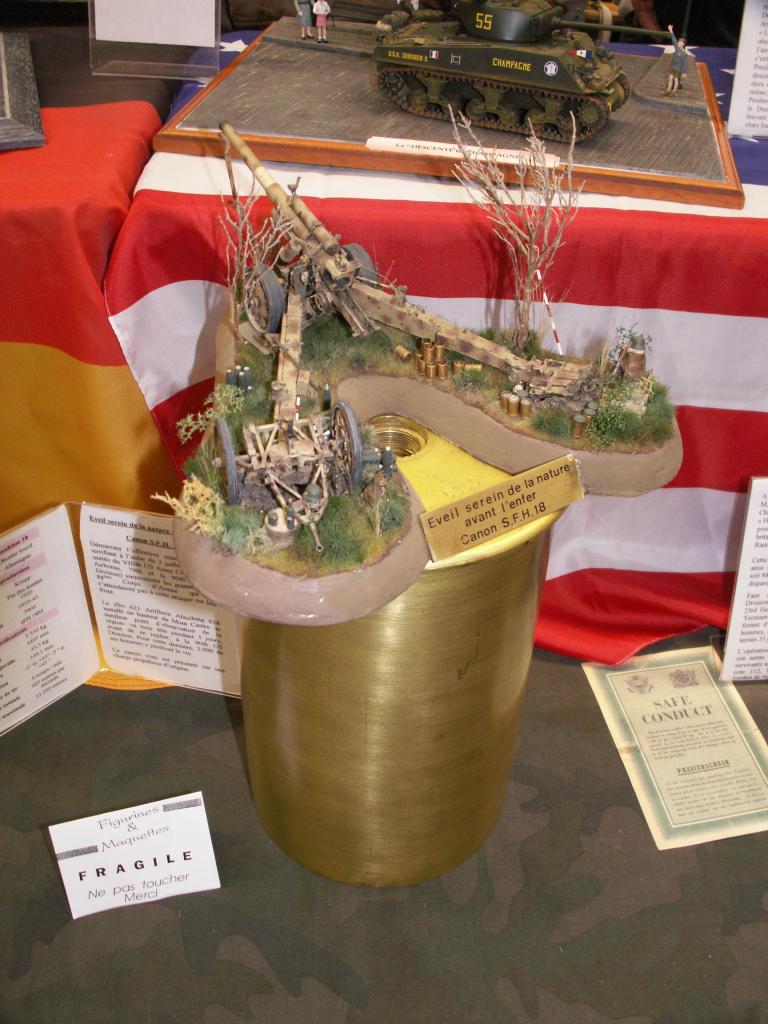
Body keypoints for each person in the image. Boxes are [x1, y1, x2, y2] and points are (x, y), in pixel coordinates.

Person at [665, 24, 689, 93]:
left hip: (678, 70)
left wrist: (684, 72)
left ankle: (673, 91)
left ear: (683, 44)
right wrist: (671, 31)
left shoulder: (684, 54)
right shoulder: (677, 49)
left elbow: (684, 64)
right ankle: (668, 90)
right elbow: (674, 41)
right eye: (679, 41)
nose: (679, 43)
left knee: (676, 81)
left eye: (680, 42)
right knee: (670, 78)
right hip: (673, 68)